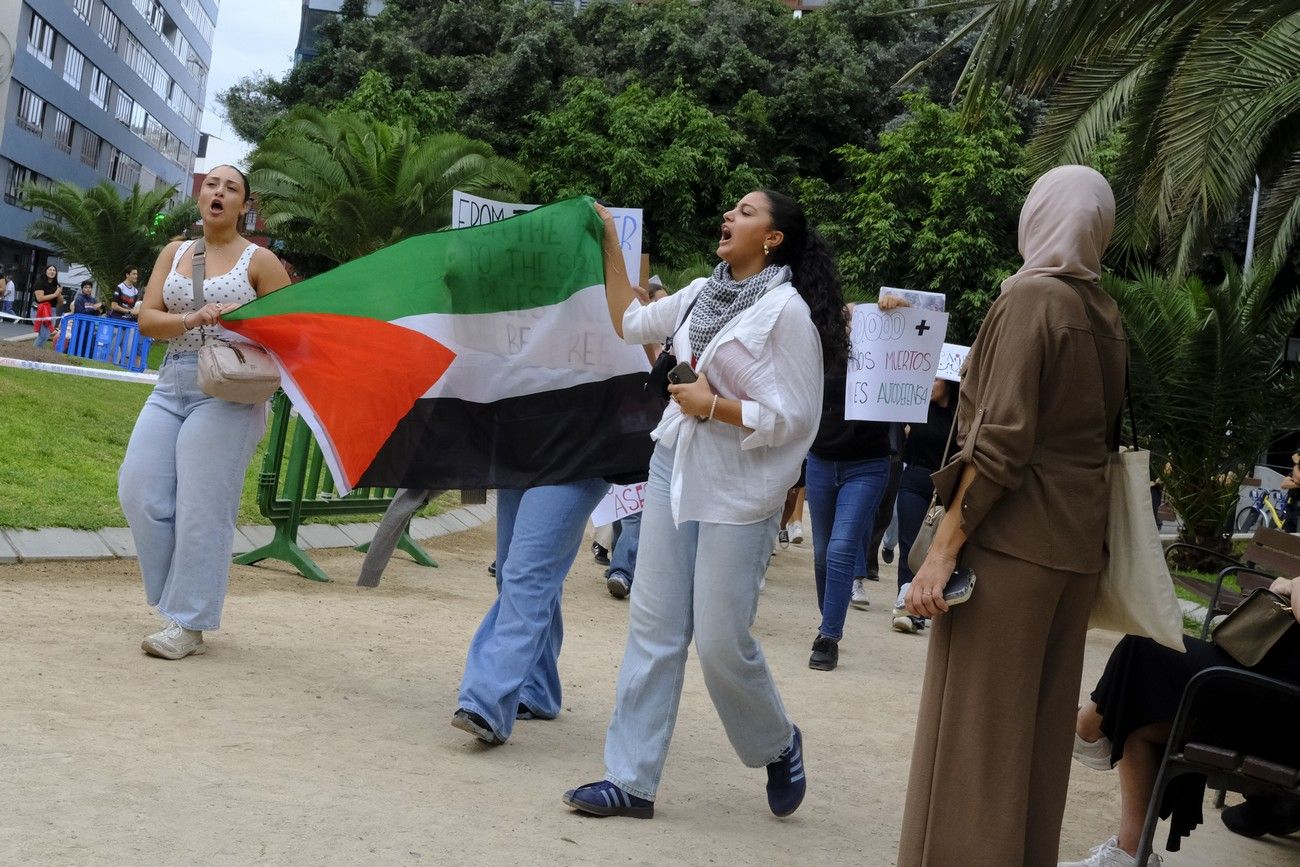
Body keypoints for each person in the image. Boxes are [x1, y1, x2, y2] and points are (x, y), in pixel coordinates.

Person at [563, 189, 841, 820]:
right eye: (731, 210)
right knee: (655, 627)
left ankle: (777, 742)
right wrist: (610, 240)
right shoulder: (700, 291)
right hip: (675, 467)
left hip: (741, 491)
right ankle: (629, 780)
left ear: (772, 237)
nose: (729, 217)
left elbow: (797, 419)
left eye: (746, 212)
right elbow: (630, 325)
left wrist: (713, 405)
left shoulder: (787, 313)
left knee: (719, 640)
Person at [898, 165, 1127, 865]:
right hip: (1072, 556)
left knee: (976, 748)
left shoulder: (1031, 298)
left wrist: (942, 550)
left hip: (1011, 550)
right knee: (1031, 755)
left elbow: (998, 444)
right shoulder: (1103, 313)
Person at [118, 164, 291, 660]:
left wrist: (244, 326)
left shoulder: (261, 261)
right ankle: (176, 599)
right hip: (172, 379)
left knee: (202, 508)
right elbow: (148, 319)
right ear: (201, 197)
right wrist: (190, 318)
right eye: (212, 185)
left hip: (229, 390)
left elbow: (289, 331)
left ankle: (187, 622)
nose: (218, 192)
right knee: (139, 491)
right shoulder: (174, 252)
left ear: (244, 205)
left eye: (230, 188)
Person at [1062, 576, 1300, 866]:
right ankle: (1130, 853)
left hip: (1282, 701)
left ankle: (1086, 730)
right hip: (1269, 674)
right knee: (1145, 695)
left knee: (1146, 651)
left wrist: (1293, 586)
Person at [803, 297, 902, 670]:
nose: (850, 320)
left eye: (859, 317)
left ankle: (829, 636)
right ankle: (827, 619)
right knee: (821, 551)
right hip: (821, 462)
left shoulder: (885, 356)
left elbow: (917, 343)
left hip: (867, 466)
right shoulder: (818, 353)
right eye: (844, 315)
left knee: (842, 547)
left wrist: (902, 312)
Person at [890, 378, 958, 634]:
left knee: (934, 547)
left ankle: (926, 602)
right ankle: (905, 602)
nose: (928, 384)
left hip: (944, 490)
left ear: (949, 383)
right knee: (910, 542)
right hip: (913, 481)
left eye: (935, 379)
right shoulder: (916, 406)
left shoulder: (960, 414)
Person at [32, 264, 61, 348]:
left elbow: (60, 302)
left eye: (54, 270)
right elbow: (40, 298)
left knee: (46, 335)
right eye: (50, 269)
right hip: (39, 310)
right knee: (43, 335)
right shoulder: (39, 282)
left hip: (52, 311)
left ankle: (37, 353)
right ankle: (34, 354)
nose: (52, 271)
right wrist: (55, 294)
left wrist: (59, 294)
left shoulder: (56, 285)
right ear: (46, 271)